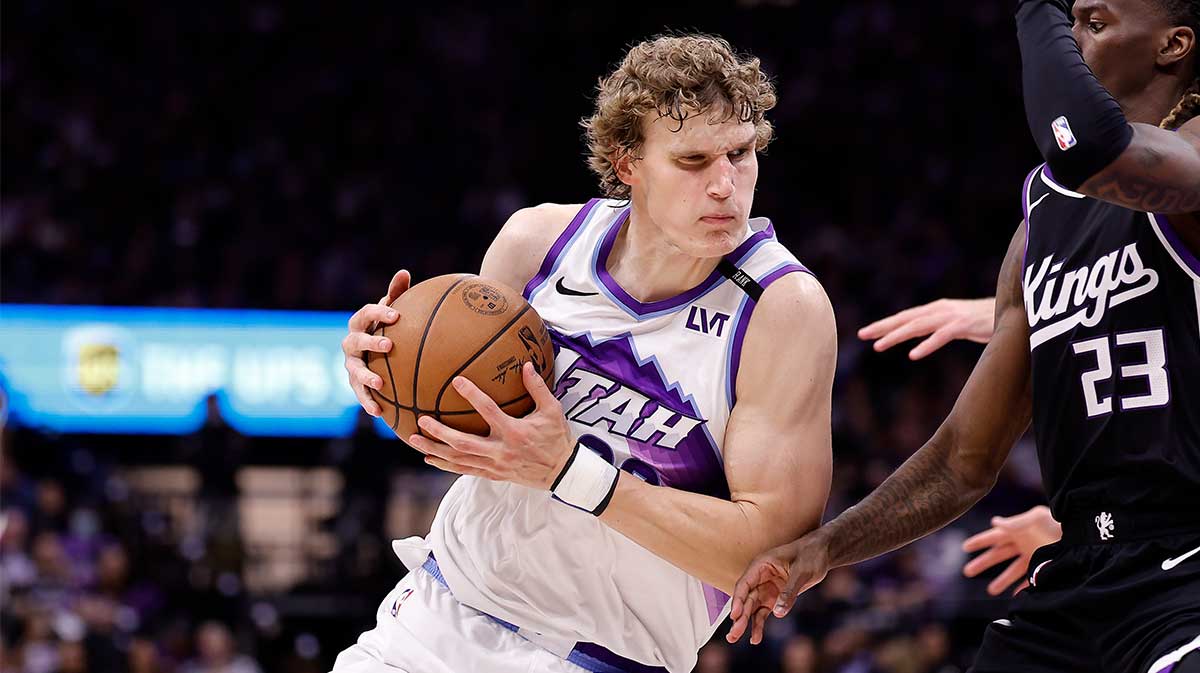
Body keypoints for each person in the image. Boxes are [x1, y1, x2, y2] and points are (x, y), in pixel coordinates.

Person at [334, 34, 836, 673]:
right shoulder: (536, 242)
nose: (725, 185)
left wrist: (570, 472)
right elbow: (460, 427)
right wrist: (384, 366)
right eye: (693, 160)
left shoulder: (781, 311)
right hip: (437, 611)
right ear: (628, 163)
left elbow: (770, 561)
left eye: (741, 154)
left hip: (600, 657)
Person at [729, 2, 1200, 672]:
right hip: (1083, 570)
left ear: (1174, 45)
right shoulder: (1045, 210)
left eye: (1093, 24)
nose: (1068, 40)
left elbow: (1087, 143)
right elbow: (961, 460)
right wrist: (826, 546)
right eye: (1068, 23)